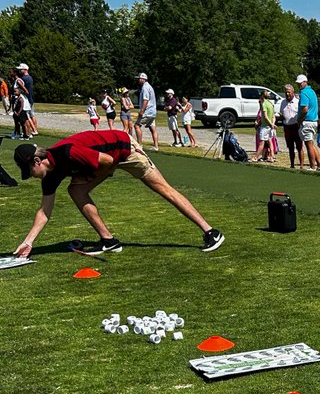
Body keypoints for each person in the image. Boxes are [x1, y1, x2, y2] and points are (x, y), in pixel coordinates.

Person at [11, 130, 224, 258]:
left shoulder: (67, 152)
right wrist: (29, 242)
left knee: (163, 188)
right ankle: (109, 240)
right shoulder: (50, 175)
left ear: (37, 161)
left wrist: (93, 175)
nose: (30, 176)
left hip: (124, 148)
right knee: (76, 189)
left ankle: (211, 232)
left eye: (28, 171)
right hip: (107, 158)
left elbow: (108, 161)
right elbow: (44, 211)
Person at [296, 74, 320, 171]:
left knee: (308, 145)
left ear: (305, 82)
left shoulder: (304, 93)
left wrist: (299, 120)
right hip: (313, 121)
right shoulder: (312, 91)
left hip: (307, 122)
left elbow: (304, 109)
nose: (299, 85)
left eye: (300, 83)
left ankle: (312, 166)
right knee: (311, 144)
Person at [134, 72, 160, 150]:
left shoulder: (145, 87)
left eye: (139, 79)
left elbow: (146, 100)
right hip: (153, 112)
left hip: (147, 111)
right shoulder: (150, 87)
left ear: (143, 79)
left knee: (137, 126)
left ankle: (139, 145)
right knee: (153, 128)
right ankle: (156, 146)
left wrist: (142, 110)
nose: (138, 80)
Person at [252, 90, 276, 163]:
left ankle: (256, 157)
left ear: (262, 96)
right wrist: (272, 124)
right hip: (269, 127)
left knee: (261, 142)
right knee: (270, 142)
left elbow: (265, 116)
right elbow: (273, 116)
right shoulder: (270, 103)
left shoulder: (264, 104)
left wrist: (270, 124)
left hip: (265, 126)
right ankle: (272, 157)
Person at [280, 84, 301, 167]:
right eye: (286, 92)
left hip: (296, 126)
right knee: (290, 147)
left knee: (299, 147)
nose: (287, 94)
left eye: (289, 92)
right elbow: (282, 113)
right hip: (287, 126)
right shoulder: (283, 102)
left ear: (293, 92)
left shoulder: (298, 101)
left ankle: (301, 165)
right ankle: (292, 165)